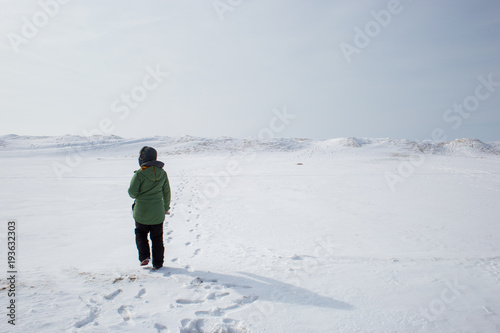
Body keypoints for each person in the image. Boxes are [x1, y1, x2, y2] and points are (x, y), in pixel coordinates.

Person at [128, 146, 171, 270]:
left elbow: (132, 193)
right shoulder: (162, 173)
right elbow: (166, 192)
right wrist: (166, 207)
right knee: (157, 238)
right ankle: (158, 263)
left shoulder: (140, 174)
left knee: (141, 233)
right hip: (157, 213)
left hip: (141, 212)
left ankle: (144, 257)